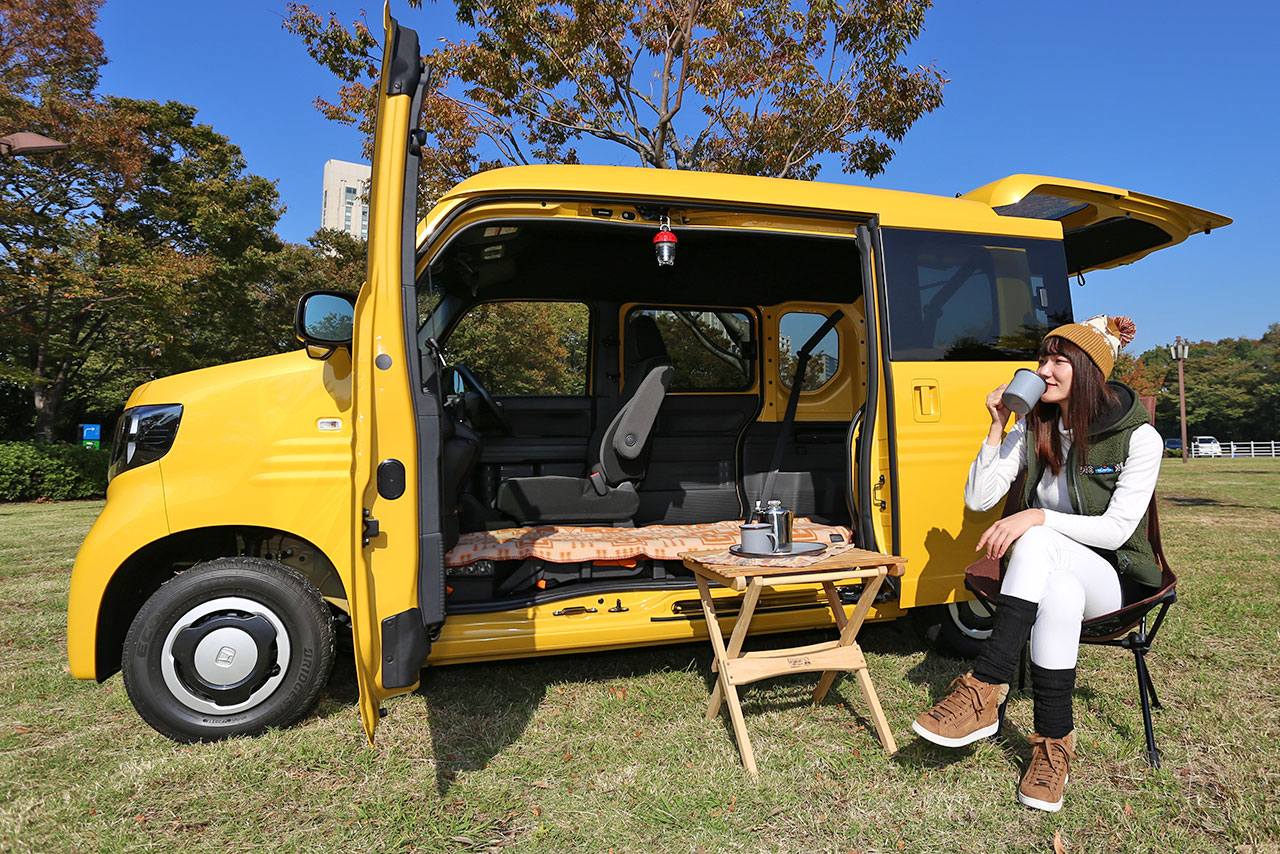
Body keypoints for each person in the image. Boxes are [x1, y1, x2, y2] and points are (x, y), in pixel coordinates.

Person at [911, 314, 1163, 812]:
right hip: (1053, 583)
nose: (1044, 370)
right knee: (1057, 587)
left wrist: (1035, 517)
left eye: (1058, 361)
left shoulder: (1139, 439)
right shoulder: (1033, 425)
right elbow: (981, 498)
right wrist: (997, 426)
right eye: (1042, 359)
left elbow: (1116, 531)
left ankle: (985, 688)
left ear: (1090, 370)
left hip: (1113, 581)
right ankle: (1053, 746)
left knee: (1036, 540)